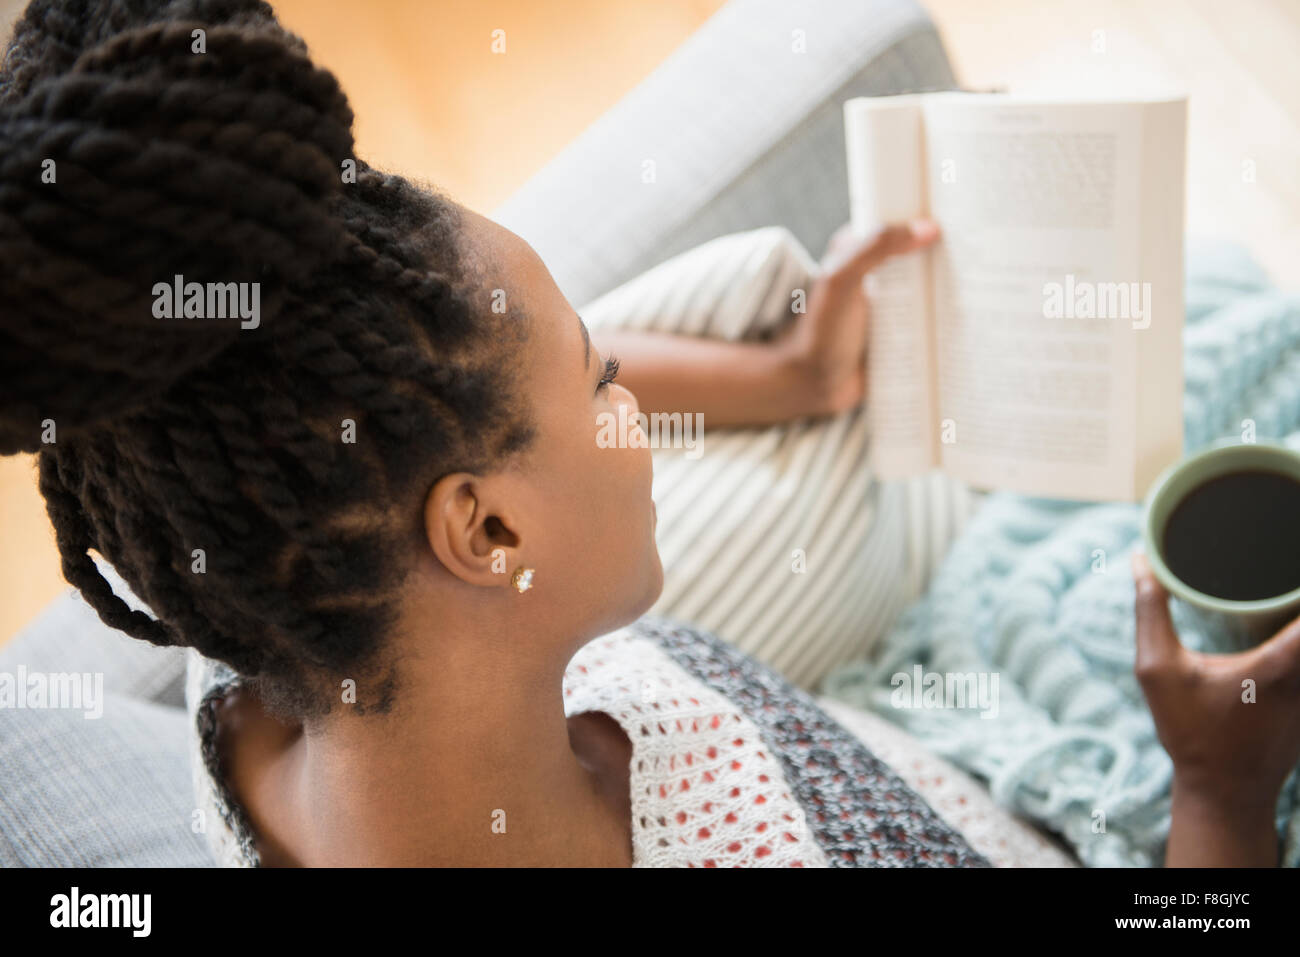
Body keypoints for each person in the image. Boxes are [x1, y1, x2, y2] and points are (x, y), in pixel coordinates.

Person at [1, 0, 1295, 867]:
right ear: (488, 527)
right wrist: (1221, 790)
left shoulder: (248, 668)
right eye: (603, 375)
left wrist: (787, 370)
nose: (630, 398)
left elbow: (431, 433)